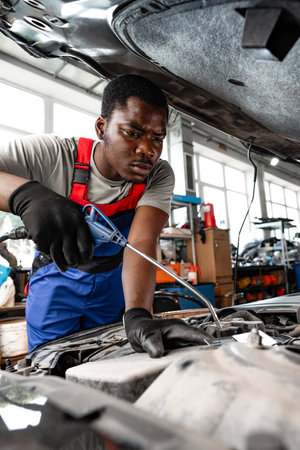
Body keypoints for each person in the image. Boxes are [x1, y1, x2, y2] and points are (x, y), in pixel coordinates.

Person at [0, 74, 208, 357]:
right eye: (133, 133)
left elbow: (142, 242)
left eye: (157, 138)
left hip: (115, 284)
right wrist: (25, 196)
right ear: (102, 127)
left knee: (108, 364)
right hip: (56, 284)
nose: (148, 149)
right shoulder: (53, 155)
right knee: (52, 367)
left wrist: (136, 313)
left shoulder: (158, 175)